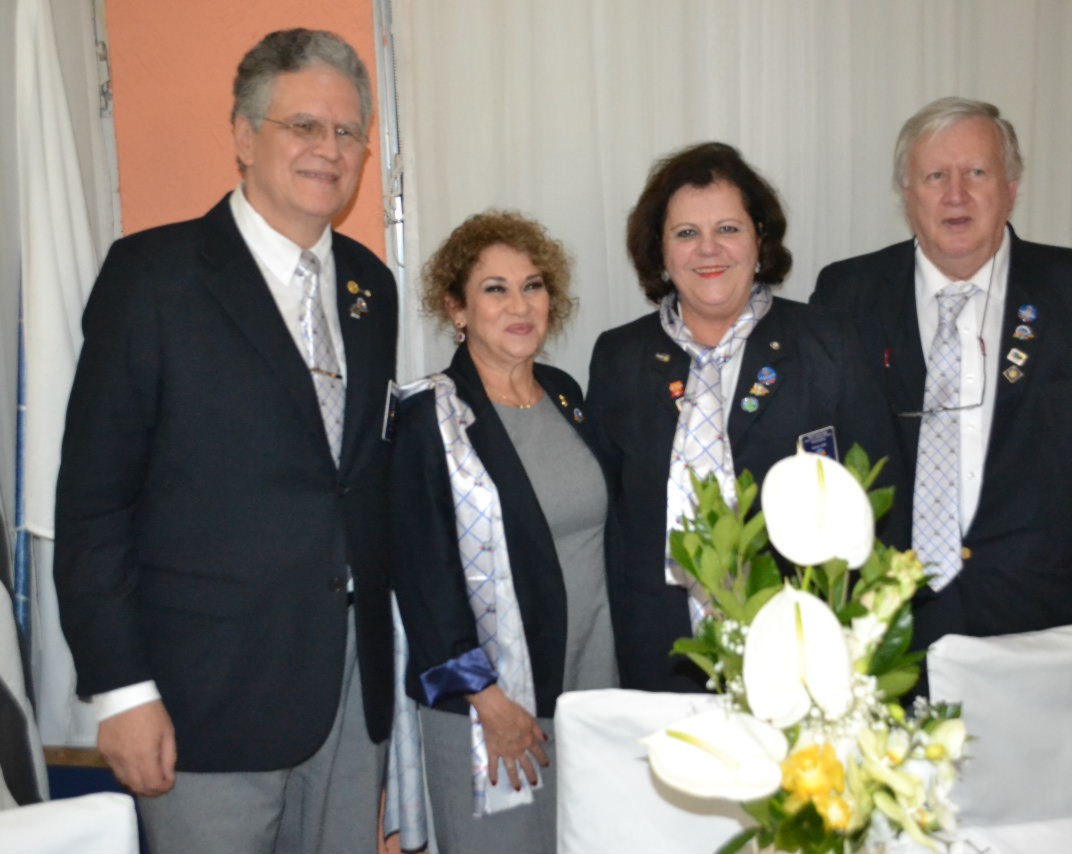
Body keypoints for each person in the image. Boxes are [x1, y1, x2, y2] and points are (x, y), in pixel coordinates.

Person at [53, 29, 397, 853]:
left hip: (352, 689)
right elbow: (94, 505)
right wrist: (122, 691)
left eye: (347, 131)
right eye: (303, 126)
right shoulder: (152, 277)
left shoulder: (370, 287)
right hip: (202, 702)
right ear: (244, 136)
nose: (329, 149)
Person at [811, 97, 1072, 698]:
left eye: (977, 173)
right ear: (906, 194)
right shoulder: (847, 293)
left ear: (1011, 188)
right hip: (894, 640)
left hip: (1055, 634)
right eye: (935, 176)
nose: (956, 194)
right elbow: (818, 470)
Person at [588, 141, 898, 693]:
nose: (708, 249)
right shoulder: (618, 358)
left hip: (806, 646)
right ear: (660, 252)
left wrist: (865, 633)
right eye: (686, 233)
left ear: (760, 240)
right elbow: (609, 519)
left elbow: (881, 499)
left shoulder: (830, 343)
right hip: (661, 652)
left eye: (728, 229)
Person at [390, 211, 617, 854]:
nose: (520, 306)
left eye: (533, 286)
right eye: (495, 289)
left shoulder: (566, 395)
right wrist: (487, 700)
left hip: (589, 692)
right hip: (491, 711)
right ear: (456, 308)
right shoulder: (428, 418)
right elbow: (422, 579)